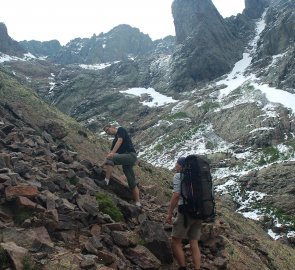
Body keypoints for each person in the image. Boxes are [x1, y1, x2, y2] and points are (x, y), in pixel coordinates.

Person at [165, 157, 202, 270]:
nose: (175, 165)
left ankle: (183, 267)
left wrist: (169, 213)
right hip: (199, 212)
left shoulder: (178, 176)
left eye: (176, 163)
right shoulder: (198, 177)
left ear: (181, 165)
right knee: (194, 243)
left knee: (175, 241)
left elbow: (176, 195)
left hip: (185, 212)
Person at [102, 124, 141, 207]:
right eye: (106, 132)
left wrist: (112, 153)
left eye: (107, 130)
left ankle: (106, 182)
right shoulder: (114, 141)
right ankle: (138, 203)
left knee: (111, 159)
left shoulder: (120, 130)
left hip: (130, 155)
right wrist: (101, 164)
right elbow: (110, 154)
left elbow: (120, 141)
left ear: (112, 127)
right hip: (126, 161)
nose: (107, 132)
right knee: (131, 181)